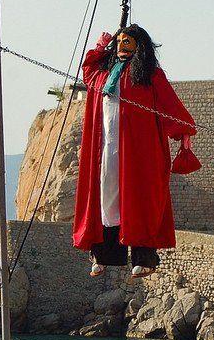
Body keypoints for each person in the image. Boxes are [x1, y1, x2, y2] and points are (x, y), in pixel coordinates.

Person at [72, 24, 197, 278]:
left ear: (139, 46)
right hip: (106, 151)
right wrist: (98, 48)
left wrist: (183, 131)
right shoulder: (102, 76)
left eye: (127, 42)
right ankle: (103, 255)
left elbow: (169, 104)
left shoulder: (150, 76)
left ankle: (144, 258)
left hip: (139, 152)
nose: (121, 46)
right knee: (106, 201)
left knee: (139, 202)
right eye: (118, 42)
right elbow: (87, 71)